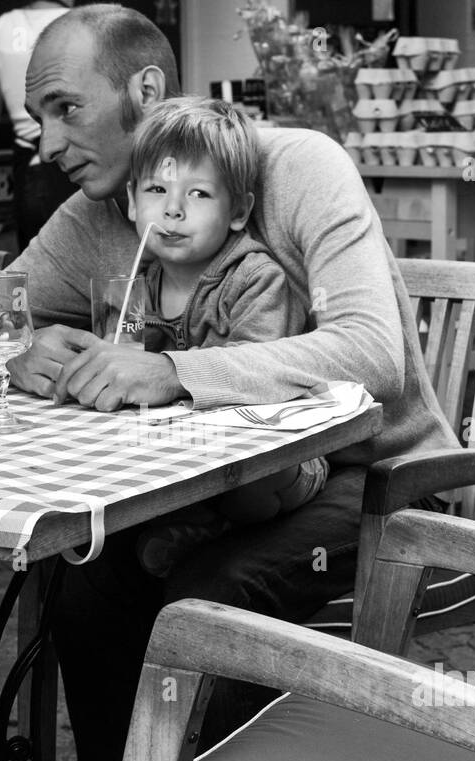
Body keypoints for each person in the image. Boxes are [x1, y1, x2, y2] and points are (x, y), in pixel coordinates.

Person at [0, 3, 457, 761]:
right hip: (216, 495)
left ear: (144, 89)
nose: (47, 141)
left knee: (200, 603)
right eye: (37, 120)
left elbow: (374, 354)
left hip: (379, 485)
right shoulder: (95, 214)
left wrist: (174, 373)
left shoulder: (294, 166)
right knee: (85, 582)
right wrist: (13, 345)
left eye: (66, 108)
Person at [125, 96, 330, 577]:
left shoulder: (255, 279)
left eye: (198, 194)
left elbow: (256, 375)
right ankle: (195, 522)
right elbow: (125, 356)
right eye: (157, 189)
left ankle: (211, 532)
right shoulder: (137, 282)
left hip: (279, 452)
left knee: (249, 484)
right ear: (133, 199)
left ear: (238, 211)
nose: (173, 210)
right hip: (191, 450)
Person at [0, 0, 77, 250]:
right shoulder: (84, 24)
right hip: (79, 167)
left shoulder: (1, 29)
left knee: (35, 275)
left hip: (32, 169)